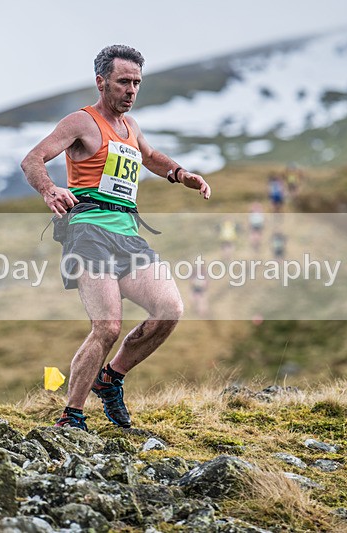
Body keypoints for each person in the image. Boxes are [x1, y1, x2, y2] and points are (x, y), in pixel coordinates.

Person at [21, 45, 211, 431]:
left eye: (137, 83)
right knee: (107, 326)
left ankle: (111, 378)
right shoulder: (81, 122)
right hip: (89, 233)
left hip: (128, 236)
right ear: (101, 81)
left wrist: (180, 174)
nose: (131, 90)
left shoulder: (132, 127)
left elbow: (150, 155)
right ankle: (71, 417)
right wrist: (49, 190)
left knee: (169, 311)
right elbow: (32, 159)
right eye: (124, 81)